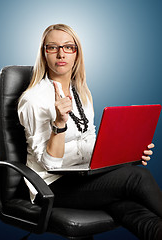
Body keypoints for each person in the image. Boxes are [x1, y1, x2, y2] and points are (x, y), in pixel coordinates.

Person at [18, 24, 162, 239]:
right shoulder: (33, 100)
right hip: (50, 187)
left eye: (68, 47)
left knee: (132, 210)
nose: (61, 54)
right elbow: (51, 165)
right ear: (43, 53)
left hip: (83, 174)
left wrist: (127, 152)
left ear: (77, 54)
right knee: (136, 177)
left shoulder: (82, 92)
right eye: (53, 47)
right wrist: (59, 123)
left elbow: (89, 139)